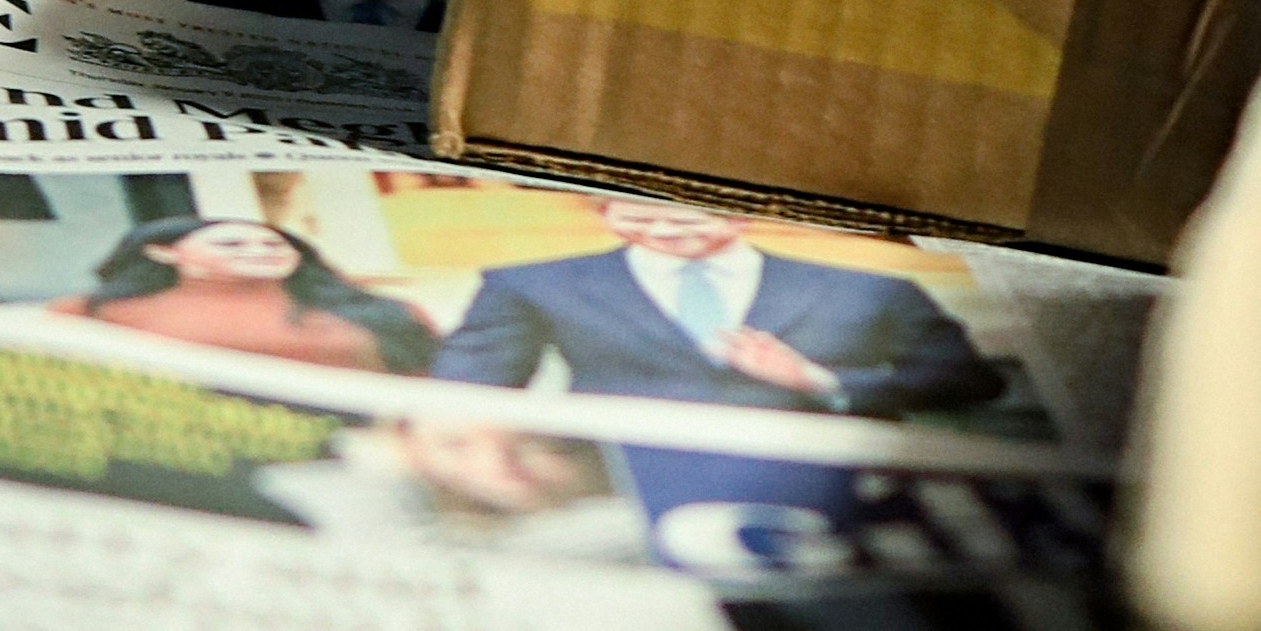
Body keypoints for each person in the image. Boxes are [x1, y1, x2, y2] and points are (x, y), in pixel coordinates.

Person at [431, 195, 1017, 419]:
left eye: (685, 206)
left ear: (744, 209)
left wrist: (819, 381)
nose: (662, 224)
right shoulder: (533, 283)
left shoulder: (868, 288)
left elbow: (970, 381)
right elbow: (467, 385)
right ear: (598, 208)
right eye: (631, 205)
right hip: (614, 478)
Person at [74, 211, 434, 372]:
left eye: (274, 244)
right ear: (163, 251)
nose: (260, 250)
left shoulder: (386, 312)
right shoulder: (91, 312)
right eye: (232, 243)